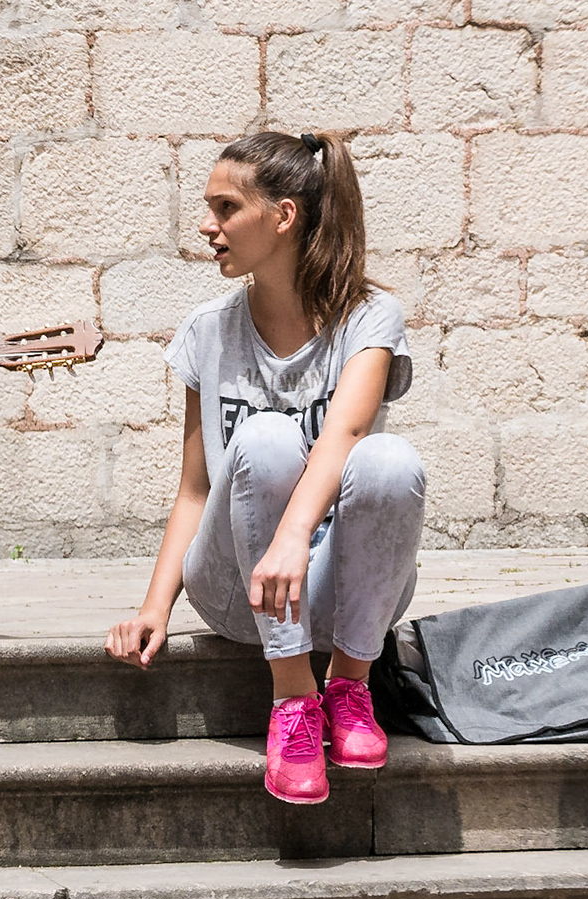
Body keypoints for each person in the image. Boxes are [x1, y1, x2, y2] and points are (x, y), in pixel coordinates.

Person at [104, 131, 426, 805]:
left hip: (339, 586)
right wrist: (154, 607)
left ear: (283, 216)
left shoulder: (370, 317)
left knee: (391, 459)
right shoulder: (209, 329)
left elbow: (346, 434)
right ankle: (293, 700)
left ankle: (350, 686)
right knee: (266, 438)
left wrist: (294, 537)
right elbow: (196, 488)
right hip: (235, 589)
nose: (207, 225)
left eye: (226, 208)